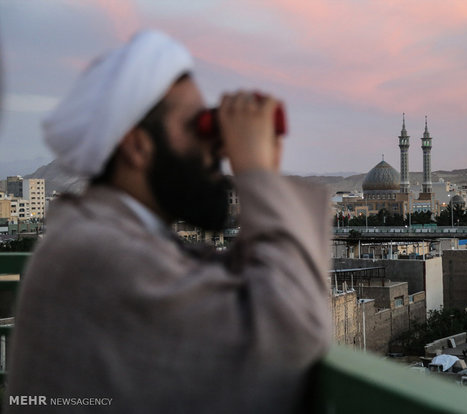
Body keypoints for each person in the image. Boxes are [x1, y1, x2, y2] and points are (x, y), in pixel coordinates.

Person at [5, 30, 331, 413]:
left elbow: (245, 284)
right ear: (138, 146)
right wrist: (256, 171)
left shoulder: (105, 229)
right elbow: (290, 331)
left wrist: (263, 171)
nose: (215, 145)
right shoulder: (93, 249)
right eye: (200, 126)